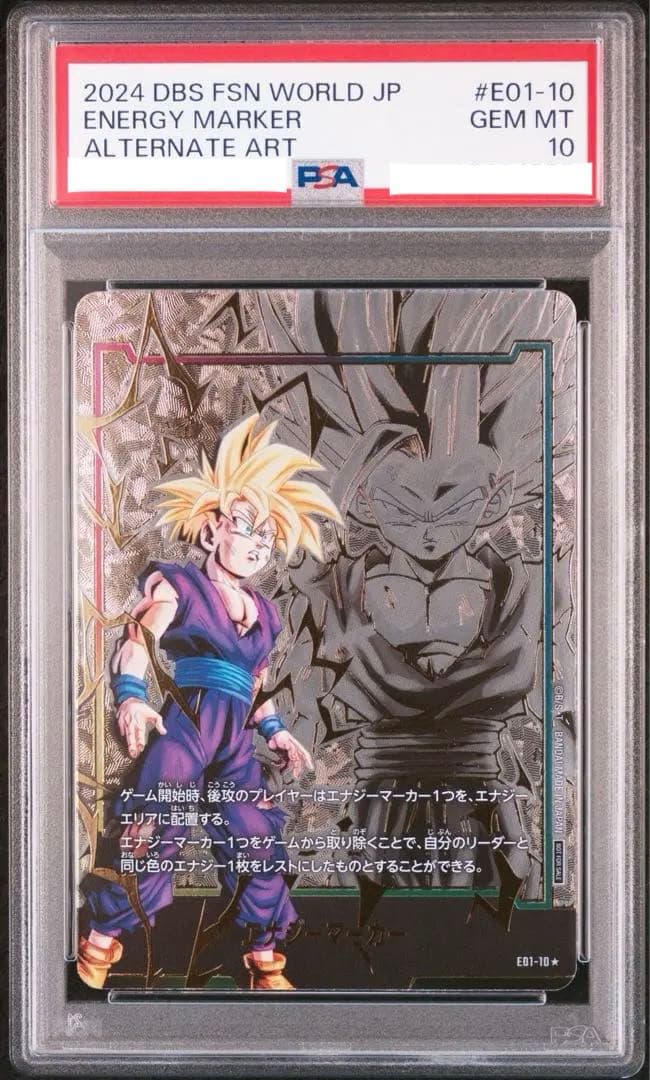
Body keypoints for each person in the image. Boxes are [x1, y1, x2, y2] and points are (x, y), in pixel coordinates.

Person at [77, 413, 341, 991]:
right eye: (247, 527)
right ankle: (97, 949)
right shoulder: (179, 585)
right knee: (152, 825)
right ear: (212, 530)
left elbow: (256, 682)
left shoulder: (265, 612)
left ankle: (266, 962)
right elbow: (138, 639)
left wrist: (275, 730)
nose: (257, 545)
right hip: (186, 726)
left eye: (268, 537)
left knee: (256, 836)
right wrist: (131, 696)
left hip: (237, 741)